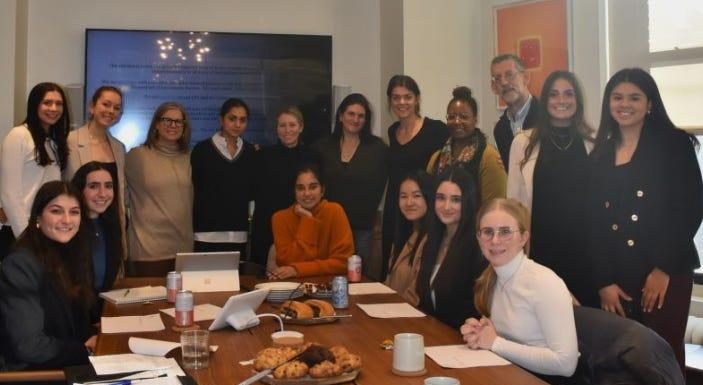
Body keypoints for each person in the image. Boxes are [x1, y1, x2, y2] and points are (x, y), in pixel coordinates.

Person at [589, 68, 703, 374]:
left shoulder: (674, 144)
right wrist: (603, 282)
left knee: (661, 356)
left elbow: (690, 207)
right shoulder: (599, 153)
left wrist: (662, 268)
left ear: (650, 103)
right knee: (620, 361)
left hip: (665, 274)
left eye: (634, 97)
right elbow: (593, 223)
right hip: (617, 278)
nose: (625, 104)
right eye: (617, 97)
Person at [462, 198, 579, 383]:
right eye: (487, 232)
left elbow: (566, 364)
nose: (495, 240)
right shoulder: (491, 279)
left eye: (505, 232)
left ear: (523, 238)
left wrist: (495, 343)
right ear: (478, 238)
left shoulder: (544, 282)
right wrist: (482, 334)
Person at [507, 70, 597, 307]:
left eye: (569, 94)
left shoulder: (594, 142)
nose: (562, 100)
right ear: (545, 100)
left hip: (585, 255)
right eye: (554, 95)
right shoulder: (523, 143)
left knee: (586, 330)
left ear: (578, 100)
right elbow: (513, 205)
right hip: (541, 254)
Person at [0, 181, 96, 370]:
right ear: (38, 216)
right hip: (36, 375)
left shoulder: (71, 254)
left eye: (74, 212)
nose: (67, 220)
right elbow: (29, 347)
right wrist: (85, 350)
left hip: (69, 365)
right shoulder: (20, 265)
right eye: (56, 211)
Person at [312, 93, 388, 279]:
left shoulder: (378, 149)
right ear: (340, 115)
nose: (355, 119)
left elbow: (381, 185)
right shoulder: (322, 147)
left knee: (359, 280)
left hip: (362, 228)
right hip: (327, 227)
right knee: (326, 277)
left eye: (361, 116)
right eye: (351, 114)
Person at [381, 75, 448, 280]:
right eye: (396, 97)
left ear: (417, 99)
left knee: (418, 269)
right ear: (390, 101)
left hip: (425, 211)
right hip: (395, 207)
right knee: (393, 266)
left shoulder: (436, 129)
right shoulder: (392, 132)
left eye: (407, 97)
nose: (402, 102)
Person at [0, 82, 69, 258]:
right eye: (47, 102)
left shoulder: (53, 142)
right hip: (18, 232)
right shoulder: (18, 136)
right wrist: (26, 238)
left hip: (44, 229)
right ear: (34, 104)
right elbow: (9, 194)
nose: (54, 108)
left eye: (59, 103)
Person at [125, 102, 193, 276]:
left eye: (179, 122)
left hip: (183, 250)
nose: (173, 125)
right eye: (167, 120)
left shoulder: (189, 158)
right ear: (156, 123)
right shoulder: (137, 156)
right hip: (148, 252)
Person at [415, 167, 484, 329]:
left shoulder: (477, 247)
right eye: (440, 198)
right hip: (432, 334)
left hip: (462, 340)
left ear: (468, 202)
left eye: (455, 200)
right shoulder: (432, 240)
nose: (446, 206)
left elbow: (474, 310)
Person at [64, 86, 127, 260]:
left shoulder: (119, 147)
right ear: (92, 106)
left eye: (116, 108)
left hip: (110, 225)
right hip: (79, 224)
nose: (111, 111)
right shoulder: (69, 141)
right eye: (106, 104)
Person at [191, 98, 256, 258]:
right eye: (232, 118)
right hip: (206, 233)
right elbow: (194, 187)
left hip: (238, 233)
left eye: (242, 120)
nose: (237, 124)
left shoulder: (250, 152)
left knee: (234, 282)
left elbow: (252, 191)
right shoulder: (202, 150)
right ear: (221, 119)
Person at [251, 106, 317, 266]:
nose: (287, 130)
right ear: (277, 129)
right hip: (268, 230)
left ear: (301, 127)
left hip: (300, 227)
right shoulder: (262, 156)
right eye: (282, 125)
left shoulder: (313, 157)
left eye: (292, 125)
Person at [269, 164, 354, 279]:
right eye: (300, 188)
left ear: (322, 190)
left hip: (329, 285)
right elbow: (287, 262)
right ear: (294, 191)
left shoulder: (335, 211)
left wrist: (298, 270)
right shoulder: (280, 218)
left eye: (313, 187)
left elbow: (343, 263)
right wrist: (307, 220)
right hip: (291, 286)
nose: (307, 193)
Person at [427, 86, 506, 204]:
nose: (457, 122)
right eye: (451, 117)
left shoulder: (488, 157)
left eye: (464, 117)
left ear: (475, 119)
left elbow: (493, 207)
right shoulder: (436, 159)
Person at [71, 162, 123, 314]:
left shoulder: (111, 225)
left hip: (102, 311)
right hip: (76, 318)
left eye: (108, 186)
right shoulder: (68, 229)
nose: (103, 193)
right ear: (79, 190)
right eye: (93, 186)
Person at [384, 170, 433, 306]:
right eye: (403, 196)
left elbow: (415, 295)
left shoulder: (430, 239)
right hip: (391, 311)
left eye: (417, 196)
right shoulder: (406, 234)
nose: (409, 202)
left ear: (429, 198)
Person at [491, 54, 540, 170]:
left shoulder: (547, 117)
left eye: (509, 75)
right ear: (493, 87)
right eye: (498, 78)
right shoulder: (500, 129)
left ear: (526, 77)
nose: (504, 82)